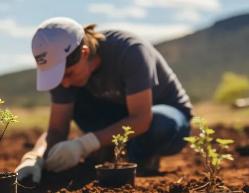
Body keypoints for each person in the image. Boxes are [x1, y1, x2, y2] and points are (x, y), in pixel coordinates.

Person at [15, 17, 193, 184]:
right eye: (57, 77)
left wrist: (85, 144)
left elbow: (141, 118)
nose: (65, 83)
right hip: (118, 118)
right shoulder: (62, 72)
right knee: (75, 101)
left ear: (84, 53)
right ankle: (107, 148)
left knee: (161, 123)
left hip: (165, 122)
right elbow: (56, 129)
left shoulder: (130, 51)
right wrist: (34, 157)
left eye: (68, 74)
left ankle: (136, 158)